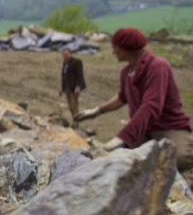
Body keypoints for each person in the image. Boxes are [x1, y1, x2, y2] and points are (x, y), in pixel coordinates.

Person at [75, 27, 193, 170]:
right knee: (122, 160)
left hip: (168, 126)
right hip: (143, 129)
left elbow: (151, 106)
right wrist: (97, 111)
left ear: (127, 48)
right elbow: (122, 97)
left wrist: (124, 137)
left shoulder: (158, 67)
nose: (113, 52)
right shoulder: (127, 71)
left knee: (179, 158)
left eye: (115, 48)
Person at [59, 48, 86, 127]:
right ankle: (74, 120)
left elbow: (80, 75)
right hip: (67, 87)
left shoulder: (76, 62)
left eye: (66, 54)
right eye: (63, 55)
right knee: (70, 105)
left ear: (70, 54)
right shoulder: (65, 63)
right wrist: (61, 87)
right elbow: (64, 76)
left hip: (74, 88)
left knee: (74, 105)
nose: (65, 56)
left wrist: (78, 87)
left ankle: (76, 122)